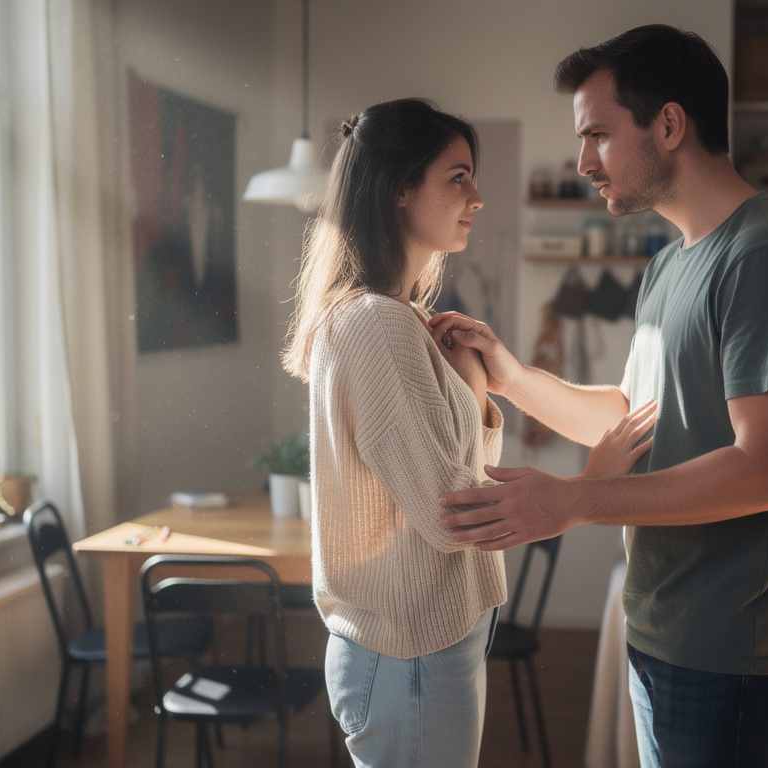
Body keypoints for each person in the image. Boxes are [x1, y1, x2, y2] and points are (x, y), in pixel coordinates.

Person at [428, 25, 768, 768]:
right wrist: (513, 378)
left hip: (732, 641)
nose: (584, 160)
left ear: (669, 124)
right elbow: (635, 417)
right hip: (668, 623)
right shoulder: (671, 266)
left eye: (597, 134)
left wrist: (574, 500)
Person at [280, 98, 653, 768]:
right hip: (407, 654)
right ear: (399, 187)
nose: (477, 197)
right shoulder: (377, 325)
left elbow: (451, 475)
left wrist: (479, 385)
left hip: (423, 645)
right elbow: (455, 514)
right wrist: (592, 484)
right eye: (458, 177)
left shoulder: (399, 319)